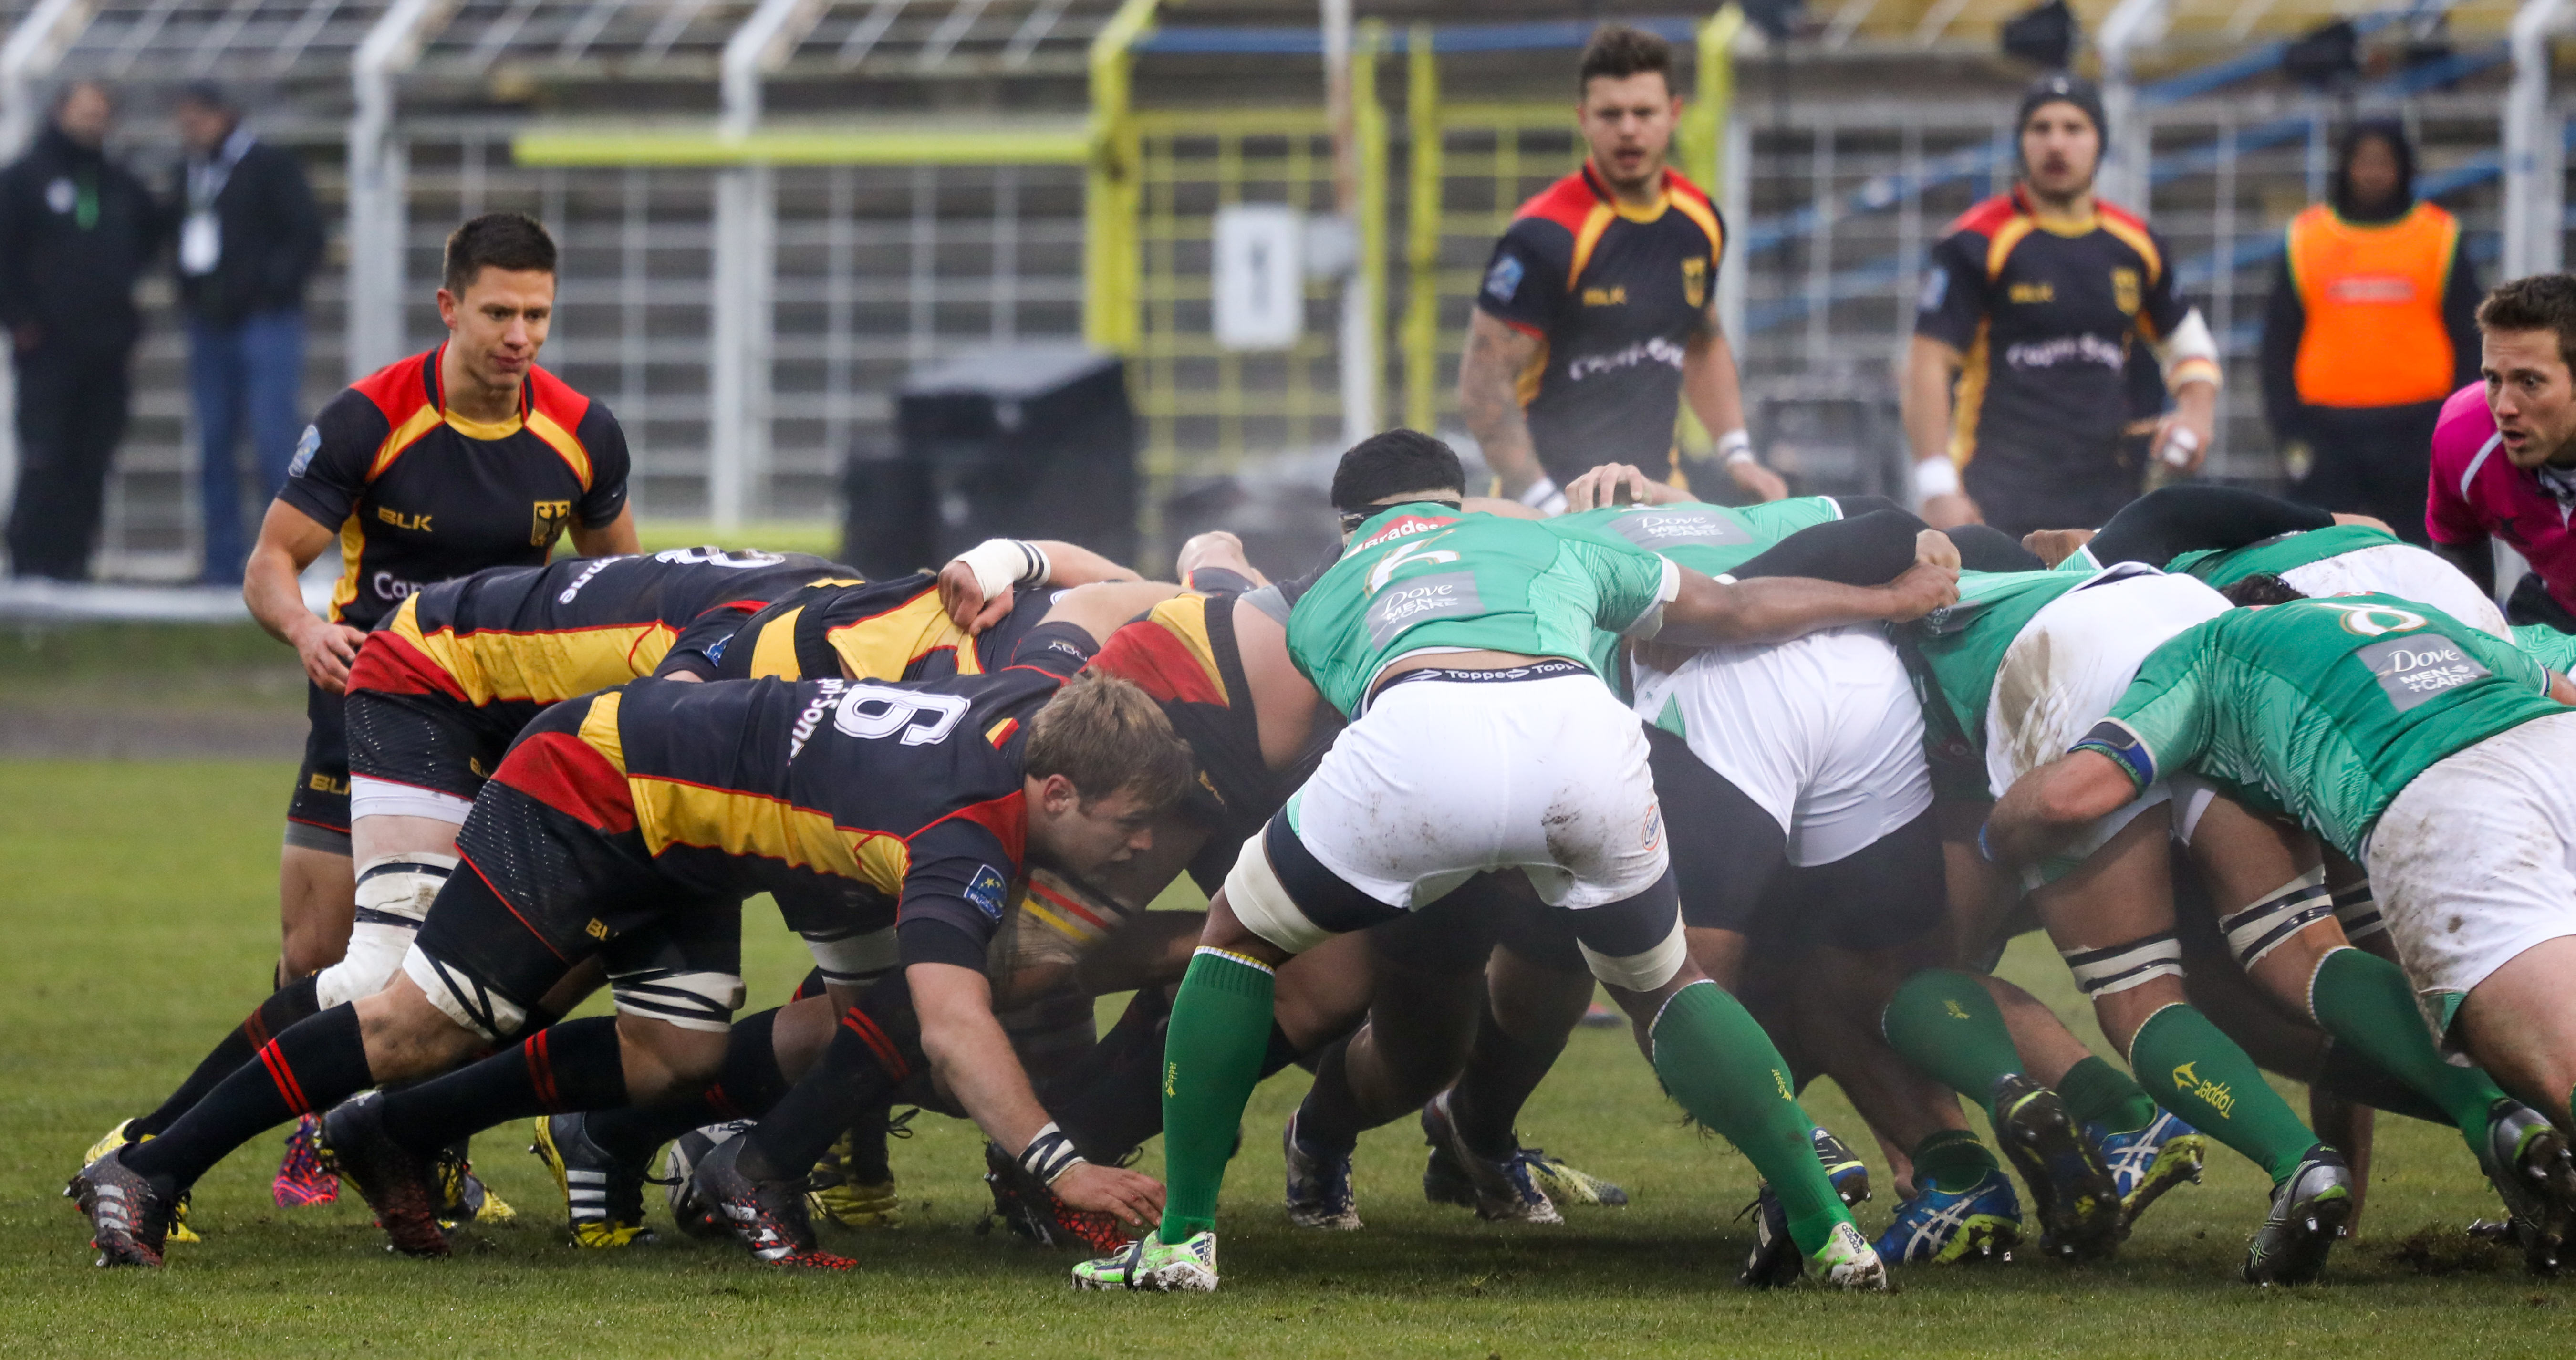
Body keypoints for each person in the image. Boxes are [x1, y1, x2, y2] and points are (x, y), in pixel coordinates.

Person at [1071, 429, 1960, 1294]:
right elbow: (1734, 610)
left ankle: (1184, 1240)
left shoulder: (1328, 590)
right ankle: (1829, 1230)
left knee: (1237, 939)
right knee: (1669, 986)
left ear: (1349, 525)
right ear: (1457, 504)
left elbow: (1351, 713)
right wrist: (1891, 601)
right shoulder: (1547, 540)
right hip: (1577, 739)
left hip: (1422, 741)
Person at [69, 605, 1195, 1268]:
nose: (1143, 847)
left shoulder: (1034, 702)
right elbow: (951, 1022)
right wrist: (1065, 1166)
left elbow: (1083, 618)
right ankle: (150, 1168)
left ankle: (393, 1132)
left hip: (688, 833)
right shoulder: (963, 834)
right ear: (1055, 791)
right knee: (416, 1025)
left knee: (677, 1058)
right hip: (591, 782)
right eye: (1130, 824)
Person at [1985, 593, 2576, 1272]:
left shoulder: (2207, 650)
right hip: (2554, 749)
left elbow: (2070, 796)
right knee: (2301, 947)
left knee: (2139, 986)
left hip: (2446, 802)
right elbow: (2559, 692)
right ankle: (2497, 1121)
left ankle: (2308, 1163)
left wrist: (1995, 840)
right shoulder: (2394, 610)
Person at [239, 212, 636, 1195]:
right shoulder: (368, 421)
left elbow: (625, 589)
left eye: (538, 315)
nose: (520, 336)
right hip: (367, 704)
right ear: (450, 307)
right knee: (320, 953)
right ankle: (306, 1125)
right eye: (499, 313)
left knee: (466, 957)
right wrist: (306, 631)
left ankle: (419, 1143)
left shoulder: (582, 434)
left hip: (503, 724)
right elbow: (271, 561)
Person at [1456, 23, 1786, 515]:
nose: (1628, 129)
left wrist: (1738, 455)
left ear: (1674, 114)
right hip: (1549, 511)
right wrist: (1548, 506)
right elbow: (1483, 387)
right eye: (1611, 114)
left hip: (1658, 499)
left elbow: (1703, 341)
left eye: (1643, 112)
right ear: (1583, 119)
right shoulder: (1544, 236)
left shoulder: (1699, 222)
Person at [1902, 72, 2222, 537]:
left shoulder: (2136, 243)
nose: (2056, 144)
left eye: (2074, 128)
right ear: (2021, 143)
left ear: (2099, 142)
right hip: (1994, 496)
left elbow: (2189, 345)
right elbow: (1927, 364)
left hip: (2108, 497)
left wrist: (2195, 415)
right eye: (2041, 128)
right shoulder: (1977, 241)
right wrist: (1938, 487)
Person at [2260, 119, 2479, 543]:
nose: (2373, 173)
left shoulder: (2439, 236)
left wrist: (2454, 427)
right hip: (2327, 434)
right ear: (2345, 166)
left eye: (2384, 162)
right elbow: (2278, 342)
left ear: (2403, 167)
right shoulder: (2307, 237)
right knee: (2320, 554)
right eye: (2364, 161)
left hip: (2418, 432)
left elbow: (2470, 340)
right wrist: (2289, 428)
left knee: (2419, 555)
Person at [0, 81, 163, 581]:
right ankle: (30, 559)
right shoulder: (25, 179)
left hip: (106, 346)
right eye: (85, 111)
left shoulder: (117, 182)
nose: (94, 122)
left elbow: (150, 233)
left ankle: (75, 560)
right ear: (60, 111)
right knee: (45, 453)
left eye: (101, 113)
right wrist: (20, 319)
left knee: (93, 455)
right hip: (48, 346)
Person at [171, 83, 325, 586]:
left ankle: (285, 560)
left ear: (225, 115)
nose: (192, 129)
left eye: (200, 118)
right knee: (215, 442)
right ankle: (222, 561)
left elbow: (306, 235)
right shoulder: (189, 172)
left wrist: (270, 288)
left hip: (264, 321)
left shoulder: (269, 166)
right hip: (210, 324)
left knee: (271, 437)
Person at [2428, 275, 2576, 631]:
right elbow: (2457, 545)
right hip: (2556, 611)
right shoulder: (2465, 434)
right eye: (2494, 379)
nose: (2504, 407)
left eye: (2530, 382)